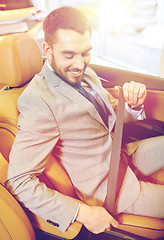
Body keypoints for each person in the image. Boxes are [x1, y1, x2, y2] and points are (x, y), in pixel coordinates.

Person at [5, 6, 164, 235]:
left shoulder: (84, 73)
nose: (80, 64)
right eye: (69, 55)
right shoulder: (38, 101)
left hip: (122, 154)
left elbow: (109, 116)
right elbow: (19, 181)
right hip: (109, 188)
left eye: (85, 52)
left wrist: (133, 105)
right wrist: (84, 213)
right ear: (47, 50)